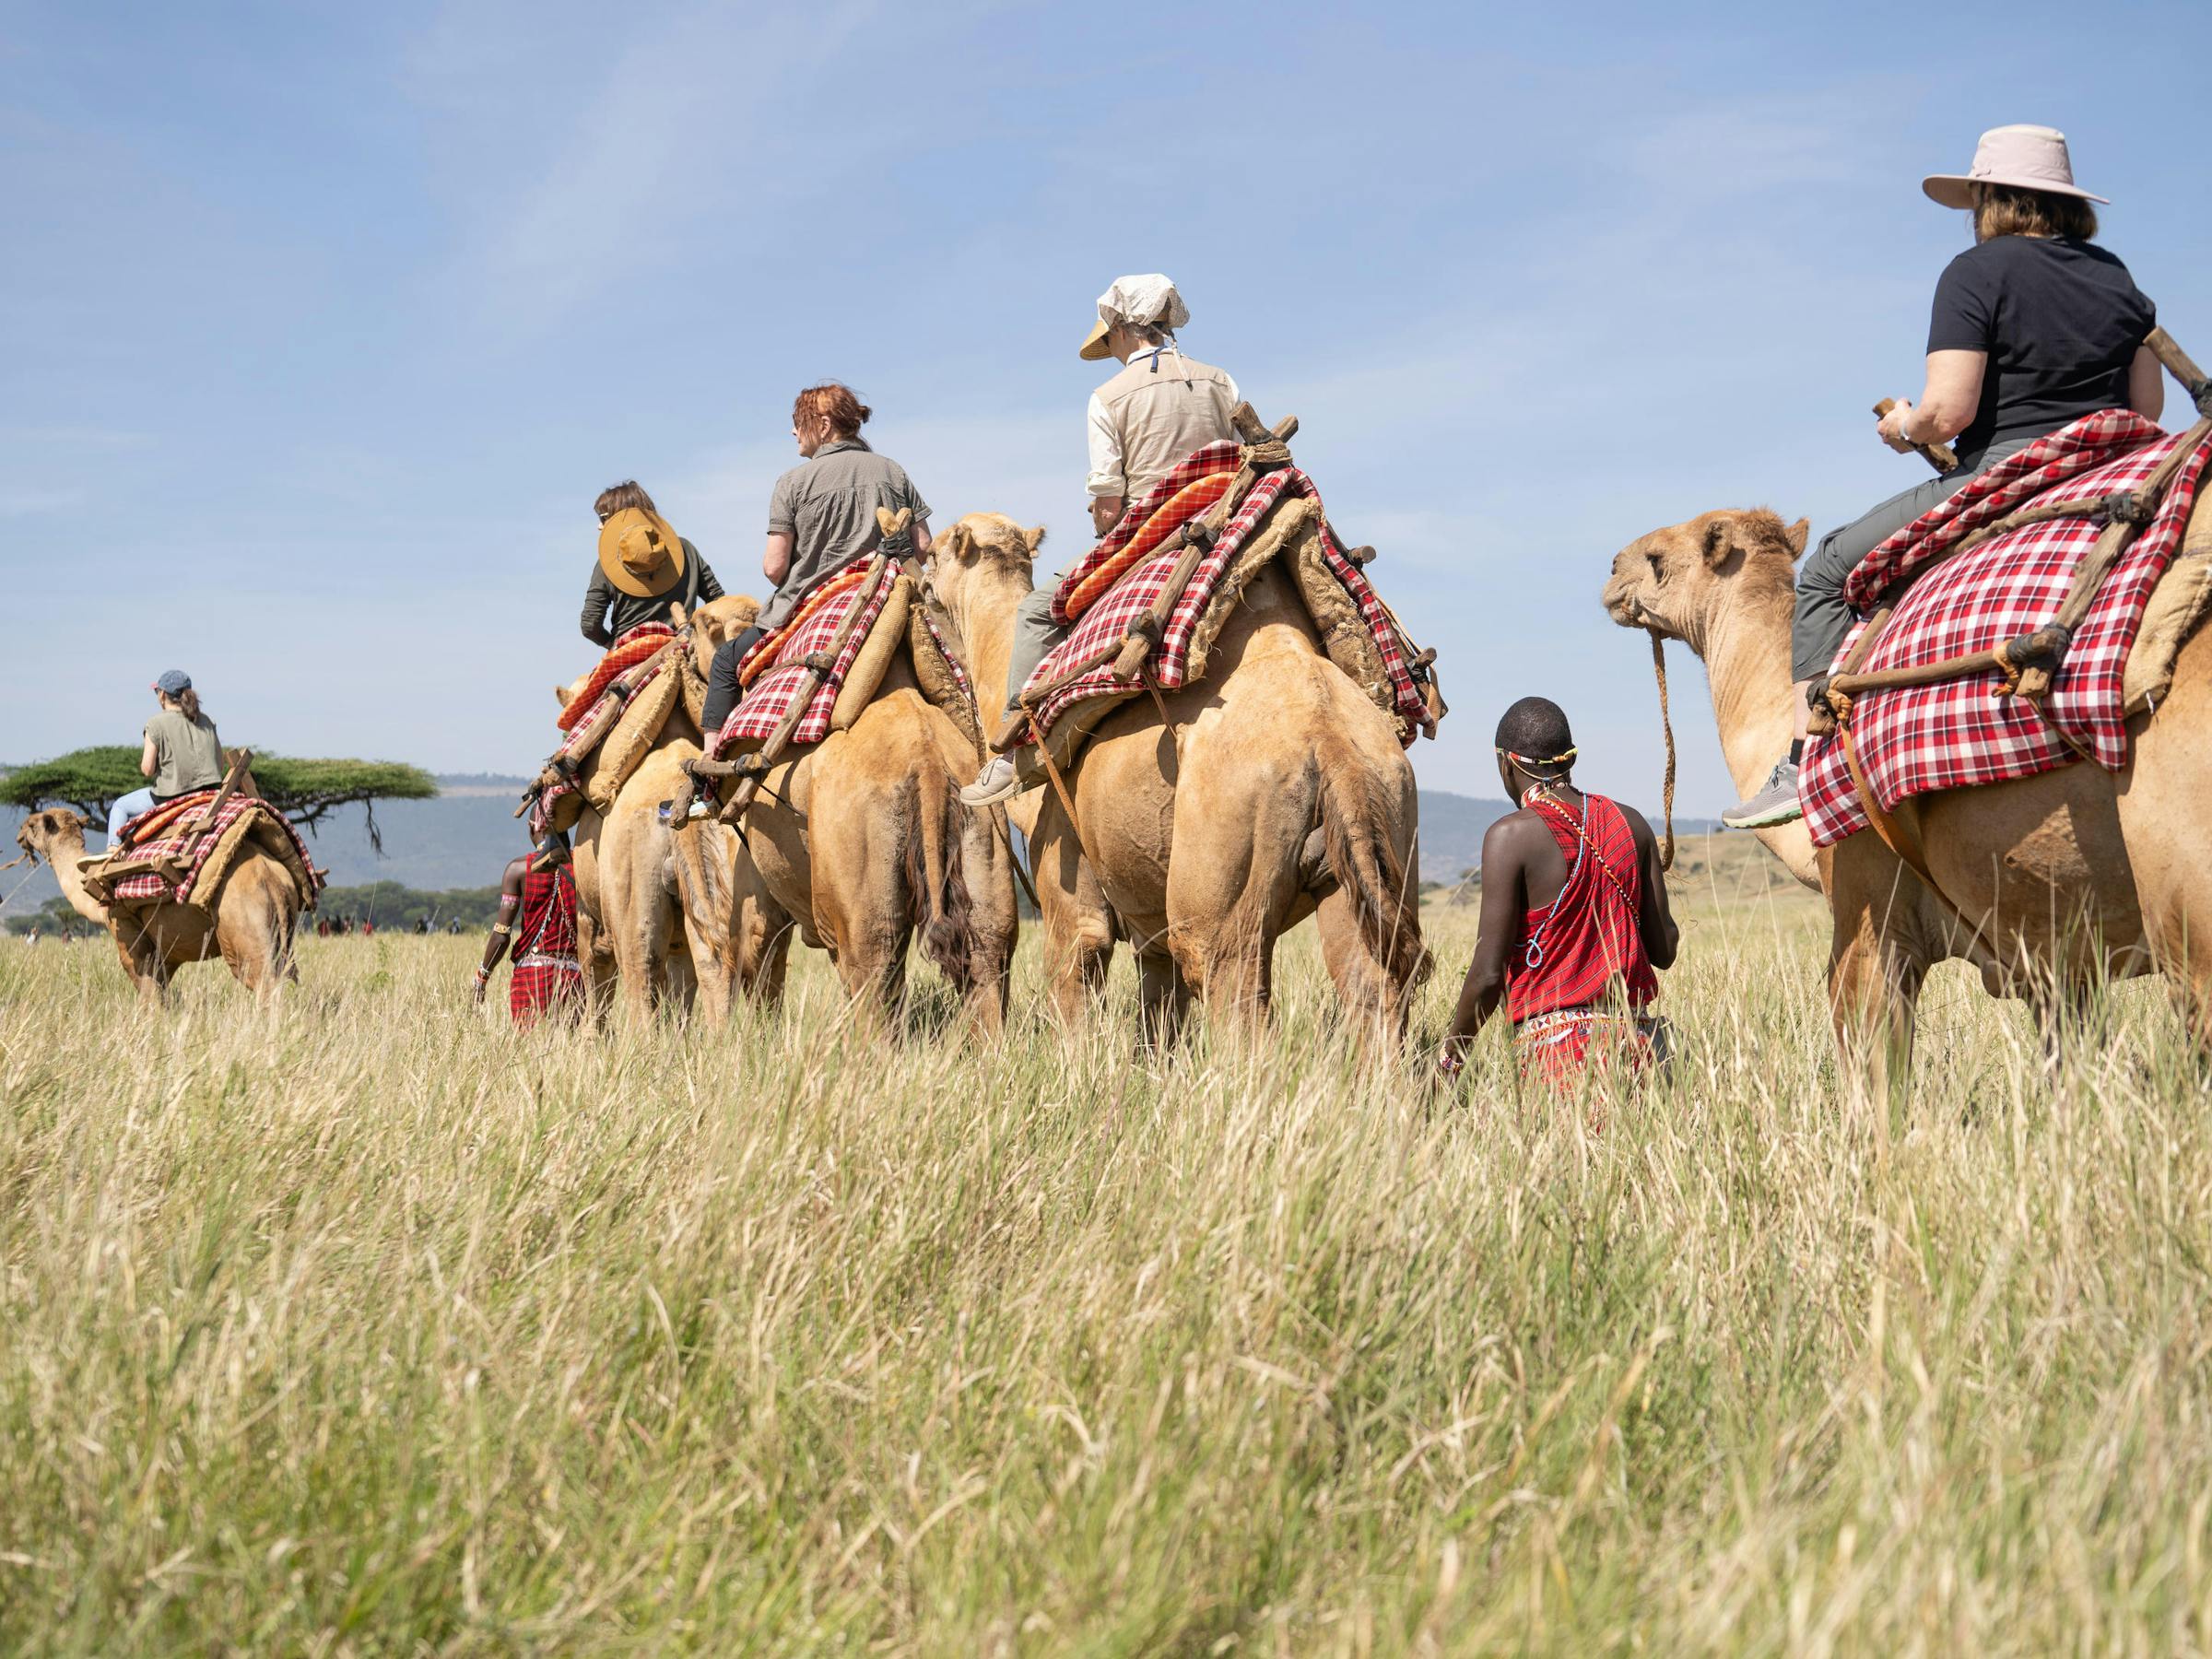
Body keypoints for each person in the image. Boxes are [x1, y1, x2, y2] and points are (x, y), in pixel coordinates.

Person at [1724, 124, 2162, 828]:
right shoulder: (2118, 276)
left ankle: (1808, 755)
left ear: (1989, 199)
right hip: (2113, 463)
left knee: (1830, 569)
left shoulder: (1976, 272)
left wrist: (1903, 424)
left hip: (2011, 468)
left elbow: (1948, 411)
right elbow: (2147, 406)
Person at [961, 274, 1241, 806]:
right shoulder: (1220, 380)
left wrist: (1101, 522)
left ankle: (1012, 750)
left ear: (1120, 328)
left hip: (1156, 530)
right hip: (1231, 520)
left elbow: (1110, 505)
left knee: (1039, 611)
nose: (1108, 347)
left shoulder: (1107, 398)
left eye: (1108, 336)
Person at [1437, 698, 1678, 1096]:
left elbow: (1487, 976)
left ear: (1506, 765)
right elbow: (1664, 952)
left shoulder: (1509, 837)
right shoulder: (1632, 823)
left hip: (1560, 1068)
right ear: (1570, 761)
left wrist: (1449, 1062)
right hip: (1643, 1060)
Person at [698, 383, 934, 742]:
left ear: (823, 425)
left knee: (726, 662)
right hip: (891, 597)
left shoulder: (791, 483)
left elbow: (774, 568)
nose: (793, 431)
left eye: (798, 422)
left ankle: (707, 777)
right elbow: (924, 546)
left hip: (817, 605)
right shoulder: (893, 471)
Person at [580, 481, 724, 649]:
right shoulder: (685, 549)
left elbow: (589, 625)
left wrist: (612, 644)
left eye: (603, 518)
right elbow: (718, 600)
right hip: (685, 648)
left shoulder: (607, 563)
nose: (599, 526)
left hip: (631, 653)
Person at [474, 831, 584, 1024]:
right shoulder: (585, 867)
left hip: (531, 978)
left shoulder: (518, 869)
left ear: (534, 828)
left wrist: (482, 977)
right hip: (575, 977)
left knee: (530, 1050)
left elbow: (501, 936)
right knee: (572, 1049)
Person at [106, 670, 228, 843]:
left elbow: (147, 770)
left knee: (119, 806)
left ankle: (112, 849)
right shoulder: (207, 721)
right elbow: (220, 764)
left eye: (157, 692)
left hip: (171, 795)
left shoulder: (155, 723)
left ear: (162, 694)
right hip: (211, 791)